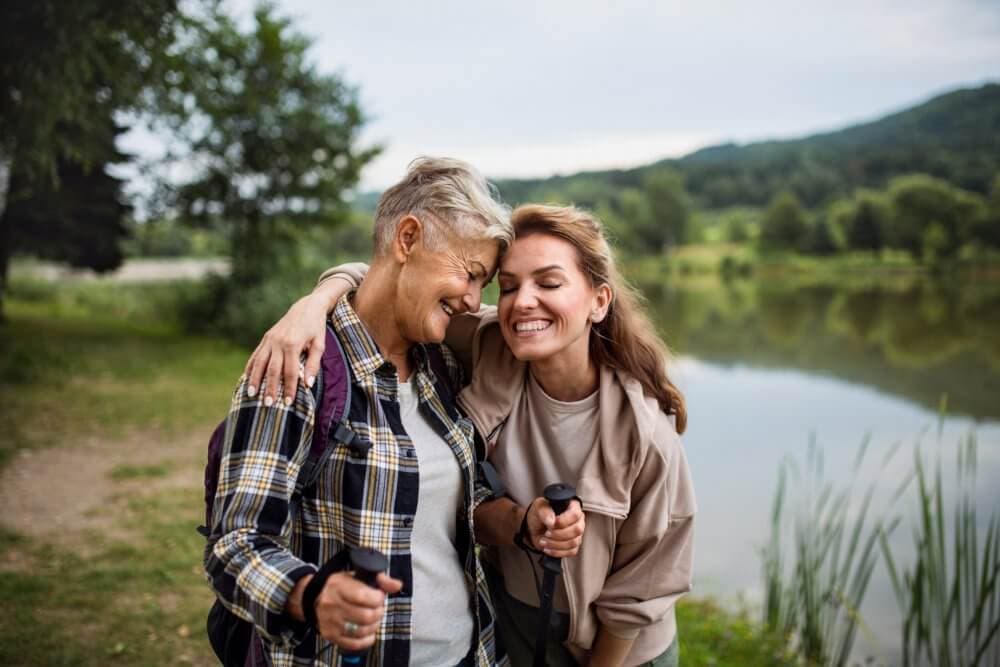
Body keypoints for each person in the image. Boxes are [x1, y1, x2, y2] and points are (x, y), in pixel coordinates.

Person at [248, 204, 696, 666]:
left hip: (622, 646)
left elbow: (647, 584)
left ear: (599, 301)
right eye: (507, 286)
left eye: (548, 283)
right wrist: (315, 303)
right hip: (517, 625)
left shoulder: (645, 430)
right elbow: (394, 284)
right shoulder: (488, 343)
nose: (523, 301)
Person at [205, 157, 584, 667]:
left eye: (483, 285)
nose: (474, 302)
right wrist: (310, 595)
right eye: (471, 274)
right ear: (407, 239)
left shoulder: (443, 364)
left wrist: (523, 524)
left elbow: (454, 503)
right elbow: (235, 544)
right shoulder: (298, 367)